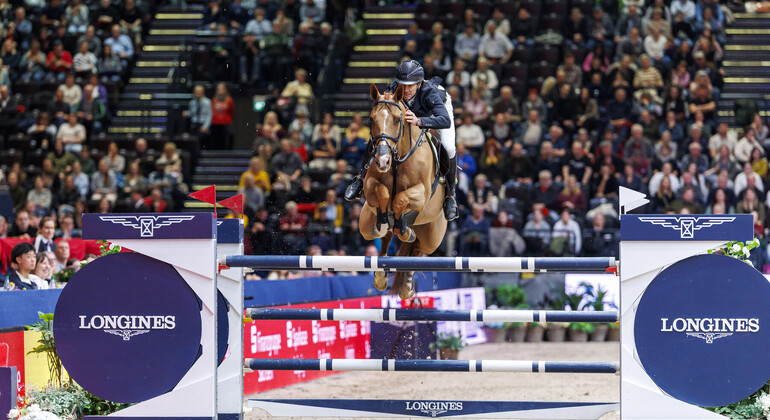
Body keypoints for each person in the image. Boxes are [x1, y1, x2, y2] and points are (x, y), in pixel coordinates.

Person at [344, 60, 458, 220]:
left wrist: (420, 121)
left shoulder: (430, 93)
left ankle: (451, 195)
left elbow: (444, 121)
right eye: (402, 84)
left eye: (410, 85)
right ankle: (360, 178)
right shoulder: (392, 90)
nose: (405, 90)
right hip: (412, 115)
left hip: (436, 112)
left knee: (449, 146)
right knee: (379, 136)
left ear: (418, 83)